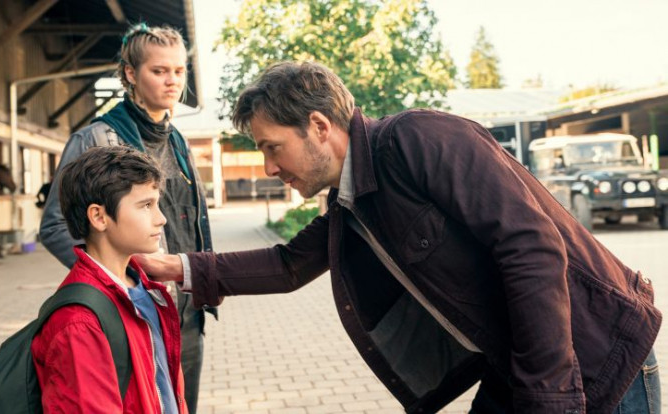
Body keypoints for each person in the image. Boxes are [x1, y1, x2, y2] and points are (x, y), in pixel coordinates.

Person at [137, 61, 662, 413]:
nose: (270, 168)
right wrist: (179, 268)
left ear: (319, 126)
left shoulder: (418, 140)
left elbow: (531, 247)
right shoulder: (352, 200)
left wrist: (548, 400)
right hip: (521, 368)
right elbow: (289, 264)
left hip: (597, 360)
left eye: (273, 147)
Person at [40, 23, 214, 413]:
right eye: (159, 70)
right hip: (132, 309)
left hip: (183, 311)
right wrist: (121, 278)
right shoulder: (94, 139)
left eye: (179, 70)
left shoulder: (179, 141)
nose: (173, 81)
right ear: (131, 74)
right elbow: (54, 226)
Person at [32, 146, 188, 413]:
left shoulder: (144, 287)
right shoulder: (79, 322)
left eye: (157, 204)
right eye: (146, 205)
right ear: (99, 217)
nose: (161, 219)